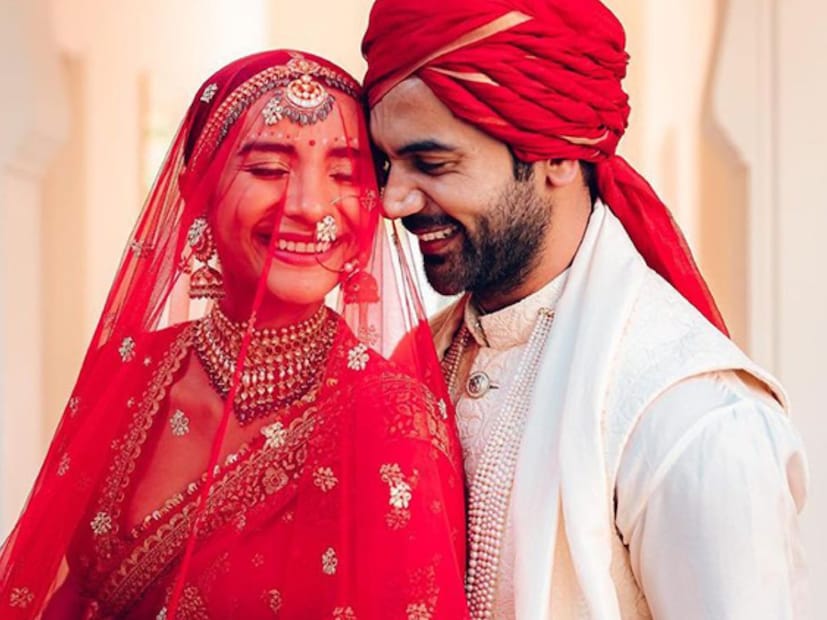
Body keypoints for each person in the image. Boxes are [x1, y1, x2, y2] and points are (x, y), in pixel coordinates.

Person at [362, 1, 809, 618]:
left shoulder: (687, 414)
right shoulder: (422, 358)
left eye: (433, 164)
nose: (393, 202)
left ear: (557, 156)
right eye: (387, 165)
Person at [0, 50, 469, 619]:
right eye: (269, 169)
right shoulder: (131, 370)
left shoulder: (390, 421)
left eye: (345, 175)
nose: (311, 207)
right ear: (197, 185)